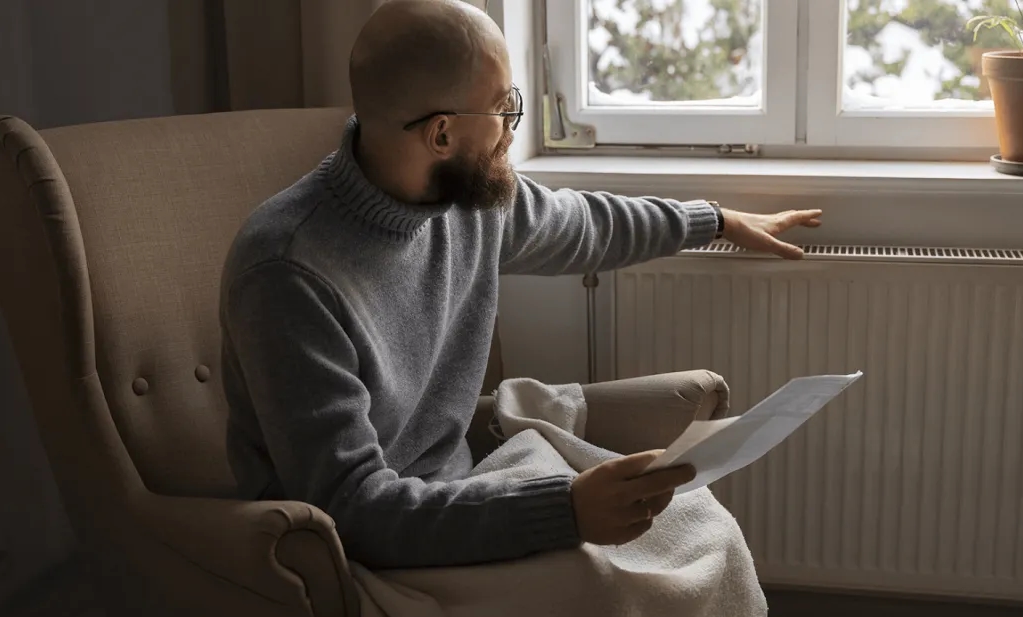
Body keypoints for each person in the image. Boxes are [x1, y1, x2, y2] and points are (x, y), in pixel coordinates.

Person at [219, 0, 821, 571]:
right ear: (441, 135)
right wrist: (564, 511)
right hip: (362, 554)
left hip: (460, 491)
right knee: (620, 581)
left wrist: (716, 220)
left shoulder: (464, 199)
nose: (512, 127)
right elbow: (350, 509)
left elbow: (587, 225)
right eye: (503, 107)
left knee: (700, 534)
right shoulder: (287, 274)